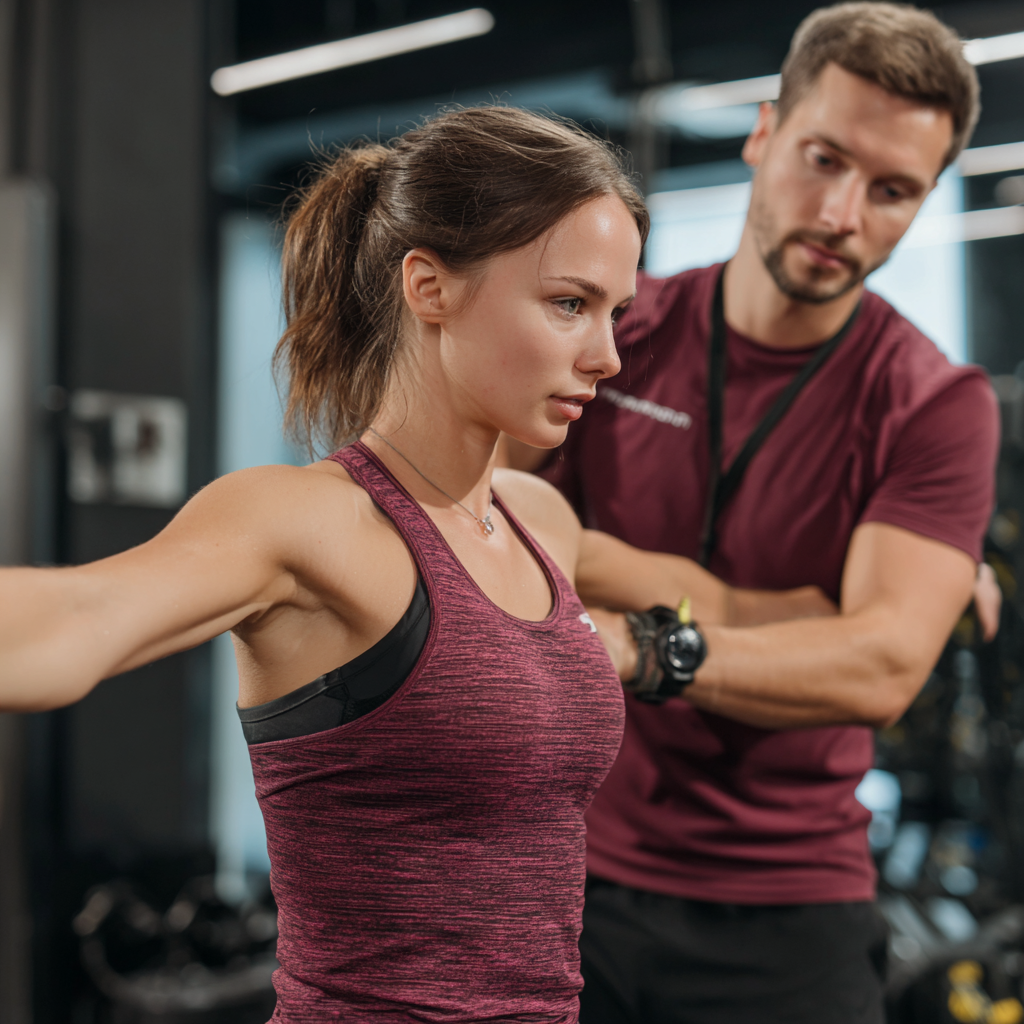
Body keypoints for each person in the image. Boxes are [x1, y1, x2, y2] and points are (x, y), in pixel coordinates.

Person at [0, 107, 652, 1022]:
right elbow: (72, 623)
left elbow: (702, 602)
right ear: (429, 285)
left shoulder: (539, 520)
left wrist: (672, 649)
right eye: (569, 304)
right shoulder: (312, 521)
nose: (607, 354)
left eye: (616, 312)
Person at [508, 5, 1001, 1023]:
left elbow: (876, 663)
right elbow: (500, 534)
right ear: (763, 129)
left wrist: (646, 646)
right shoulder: (621, 330)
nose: (841, 214)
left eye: (892, 190)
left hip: (785, 914)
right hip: (565, 872)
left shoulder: (933, 401)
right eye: (822, 159)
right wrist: (785, 609)